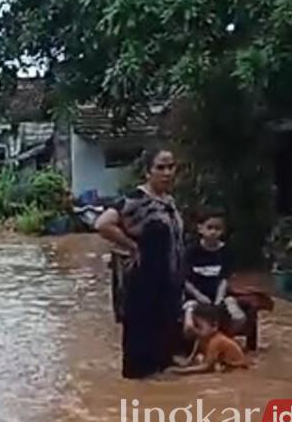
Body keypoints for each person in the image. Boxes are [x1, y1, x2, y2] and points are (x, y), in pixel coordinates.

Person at [95, 148, 185, 379]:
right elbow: (103, 224)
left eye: (170, 167)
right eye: (160, 167)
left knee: (163, 349)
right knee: (141, 349)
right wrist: (132, 246)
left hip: (168, 282)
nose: (167, 173)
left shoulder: (169, 201)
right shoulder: (135, 199)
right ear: (147, 172)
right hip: (142, 281)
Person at [182, 209, 246, 336]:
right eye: (209, 227)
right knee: (189, 319)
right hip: (195, 296)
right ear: (200, 229)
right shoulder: (191, 251)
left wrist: (218, 299)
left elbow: (224, 280)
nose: (213, 232)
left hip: (220, 295)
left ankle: (225, 338)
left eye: (218, 228)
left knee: (239, 316)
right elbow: (185, 280)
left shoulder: (226, 252)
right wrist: (198, 296)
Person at [168, 304, 249, 375]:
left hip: (238, 371)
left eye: (198, 326)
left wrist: (180, 372)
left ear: (214, 326)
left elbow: (207, 367)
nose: (194, 330)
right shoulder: (201, 339)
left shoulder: (217, 341)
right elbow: (189, 361)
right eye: (194, 325)